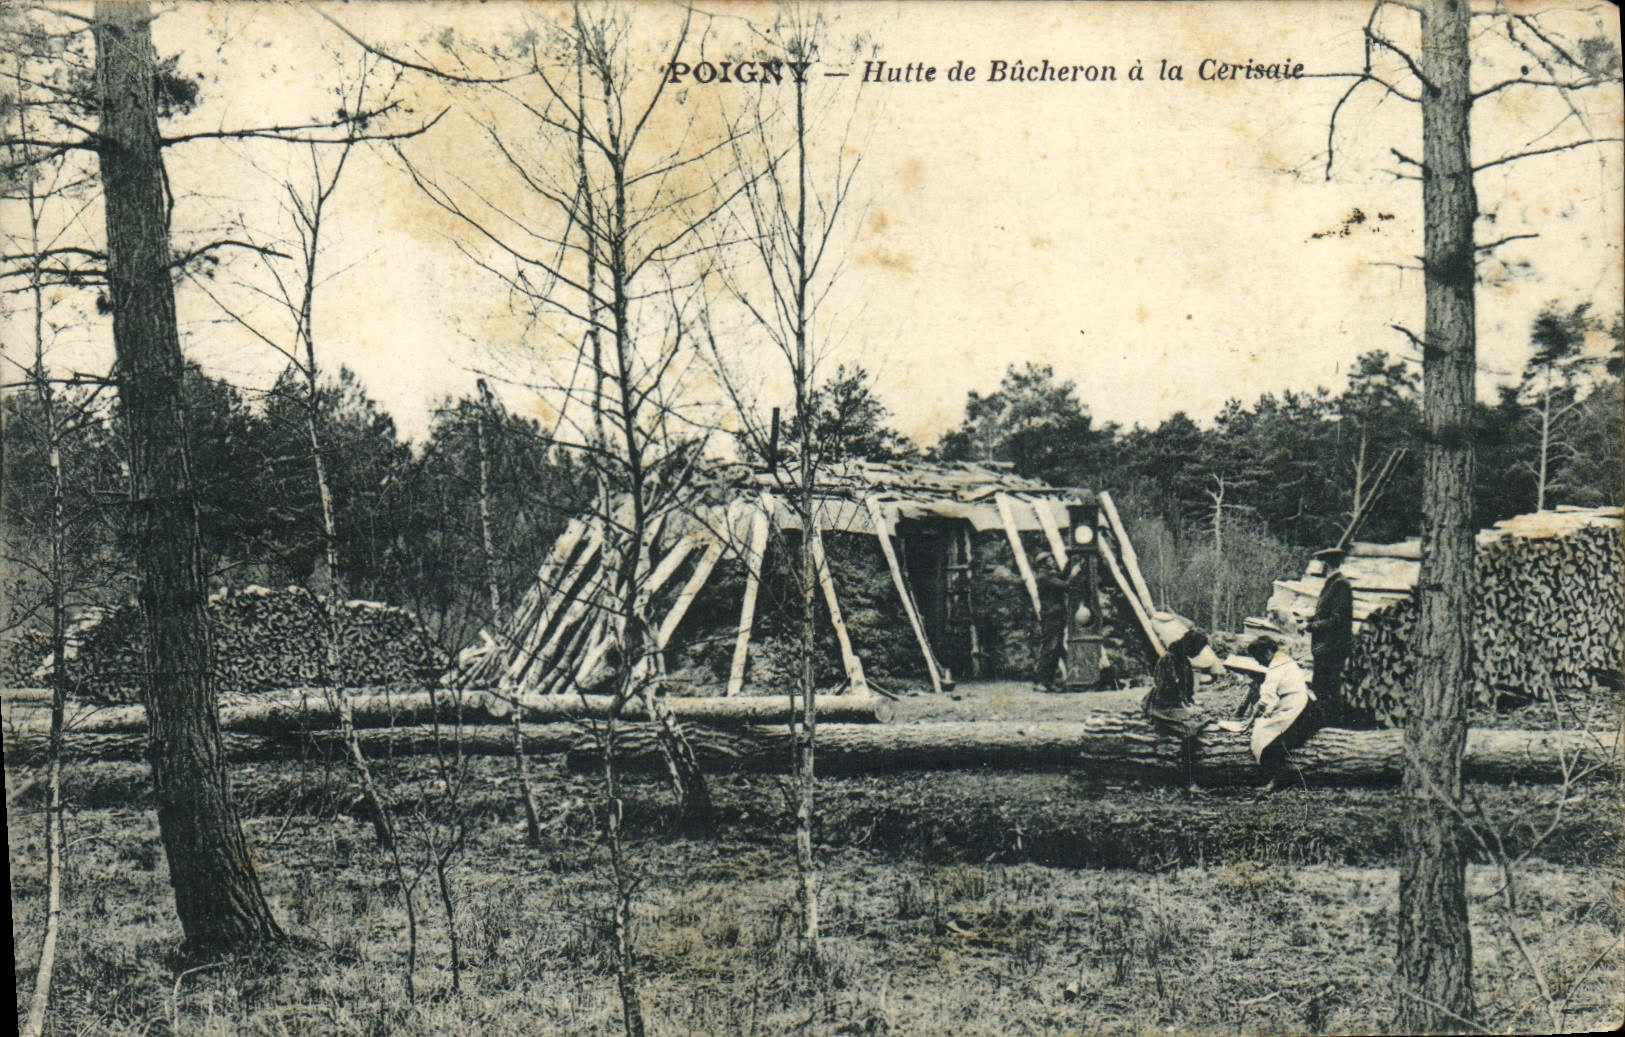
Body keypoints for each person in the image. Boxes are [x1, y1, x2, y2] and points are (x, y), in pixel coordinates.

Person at [1141, 627, 1211, 792]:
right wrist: (1184, 706)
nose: (1198, 653)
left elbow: (1187, 691)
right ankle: (1188, 780)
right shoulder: (1169, 659)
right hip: (1162, 704)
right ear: (1190, 645)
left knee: (1204, 720)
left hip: (1175, 704)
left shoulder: (1184, 660)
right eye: (1198, 649)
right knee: (1189, 731)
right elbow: (1168, 688)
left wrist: (1190, 704)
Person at [1244, 635, 1315, 794]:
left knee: (1268, 740)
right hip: (1298, 702)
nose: (1259, 663)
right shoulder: (1285, 660)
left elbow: (1267, 695)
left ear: (1268, 652)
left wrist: (1255, 714)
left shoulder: (1276, 667)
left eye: (1259, 658)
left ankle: (1277, 778)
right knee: (1269, 730)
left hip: (1298, 706)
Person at [1304, 547, 1353, 728]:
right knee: (1322, 687)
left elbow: (1337, 620)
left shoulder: (1340, 585)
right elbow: (1327, 613)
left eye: (1321, 563)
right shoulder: (1332, 583)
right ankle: (1327, 725)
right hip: (1325, 647)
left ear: (1326, 565)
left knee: (1328, 688)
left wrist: (1310, 626)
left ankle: (1332, 726)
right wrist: (1310, 619)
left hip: (1332, 647)